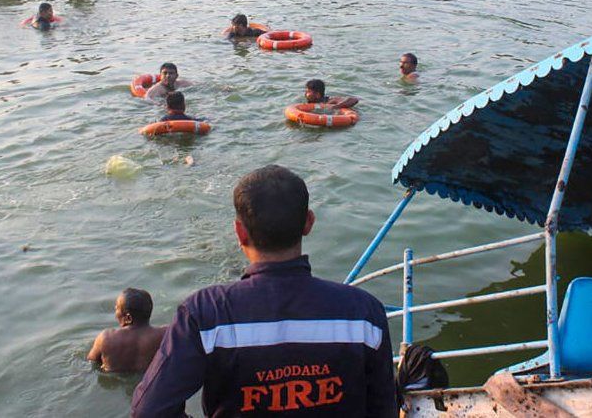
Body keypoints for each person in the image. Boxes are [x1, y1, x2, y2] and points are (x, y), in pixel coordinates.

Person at [131, 165, 397, 416]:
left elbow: (149, 411)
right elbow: (383, 409)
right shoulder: (364, 313)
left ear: (240, 232)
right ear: (308, 223)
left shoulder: (205, 313)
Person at [87, 288, 167, 374]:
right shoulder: (165, 335)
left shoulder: (106, 338)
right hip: (149, 381)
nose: (115, 310)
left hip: (114, 383)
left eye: (117, 308)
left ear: (128, 318)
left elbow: (91, 362)